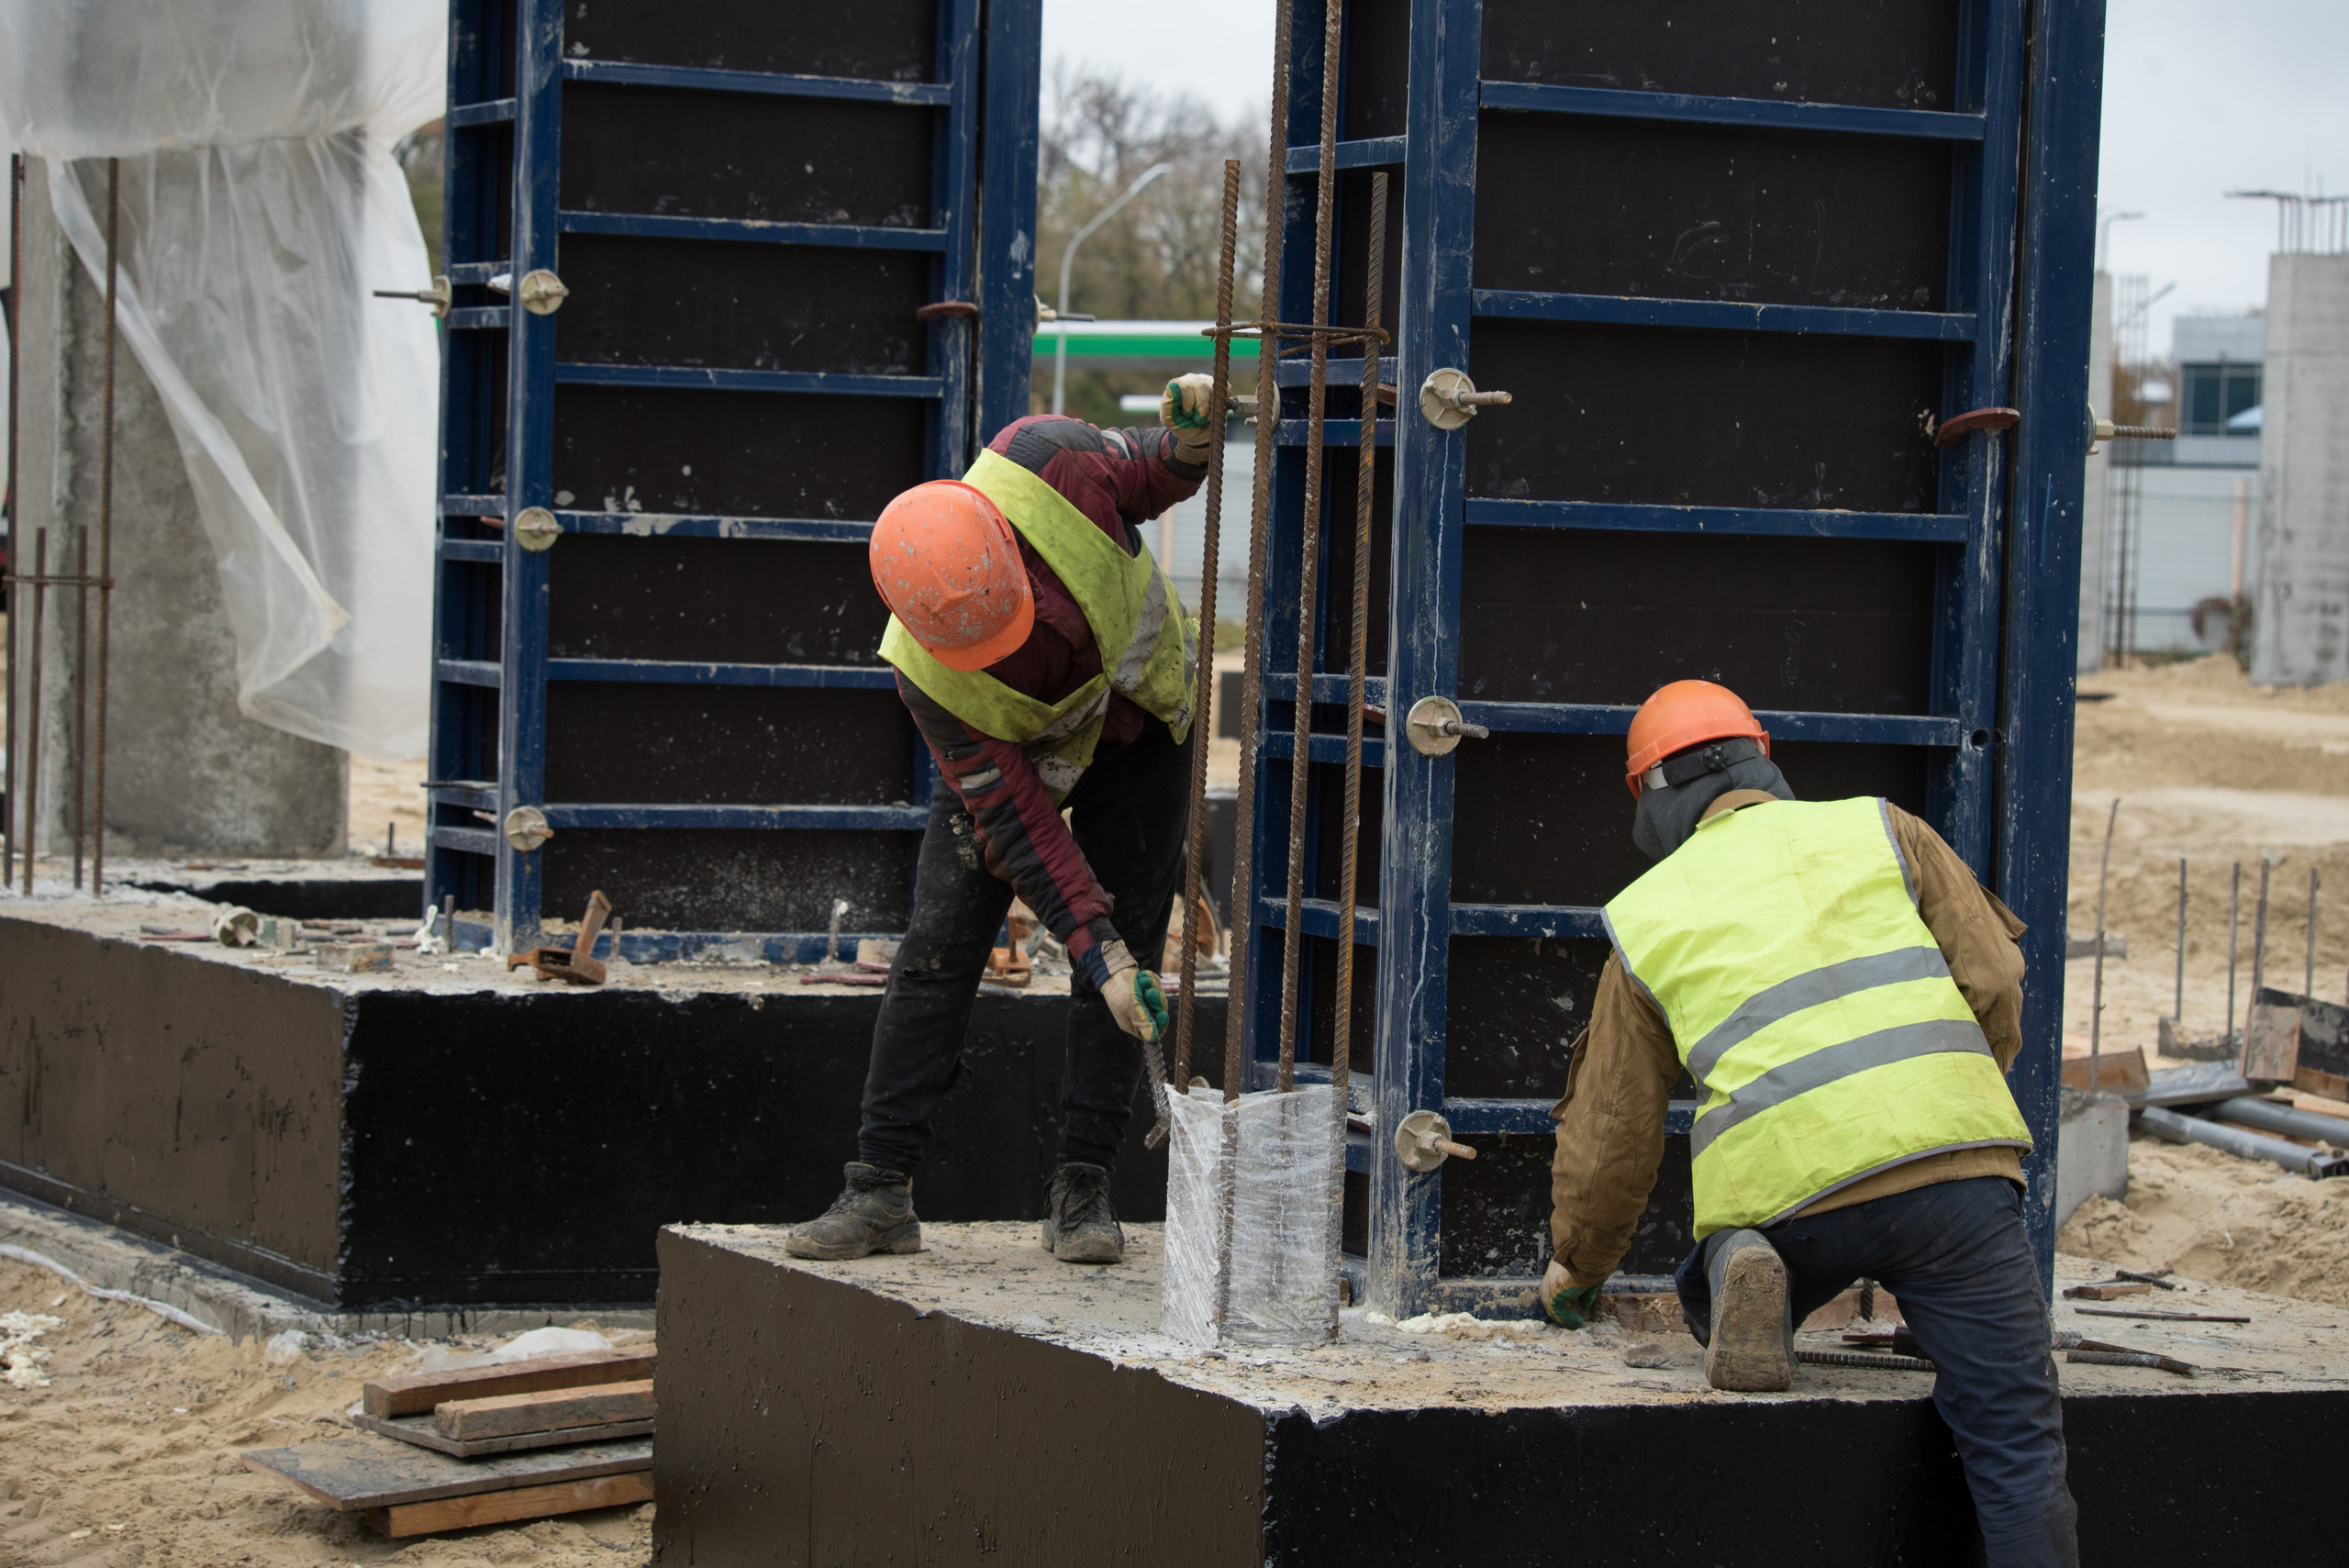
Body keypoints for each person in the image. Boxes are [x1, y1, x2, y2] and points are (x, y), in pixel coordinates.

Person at [1540, 679, 2078, 1567]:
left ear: (1650, 797)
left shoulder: (1644, 917)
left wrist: (1577, 1266)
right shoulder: (1881, 825)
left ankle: (1743, 1277)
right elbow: (1993, 979)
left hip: (1790, 1202)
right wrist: (1939, 1101)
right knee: (2016, 1440)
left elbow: (1614, 1133)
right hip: (1956, 1181)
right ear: (1763, 760)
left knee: (1716, 1286)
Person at [785, 375, 1218, 1267]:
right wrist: (1089, 947)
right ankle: (878, 1188)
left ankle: (1084, 1182)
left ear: (1003, 547)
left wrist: (1189, 442)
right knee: (941, 941)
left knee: (1128, 933)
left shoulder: (1048, 460)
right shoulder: (927, 675)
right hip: (1023, 751)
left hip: (1142, 720)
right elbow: (1020, 827)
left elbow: (1149, 474)